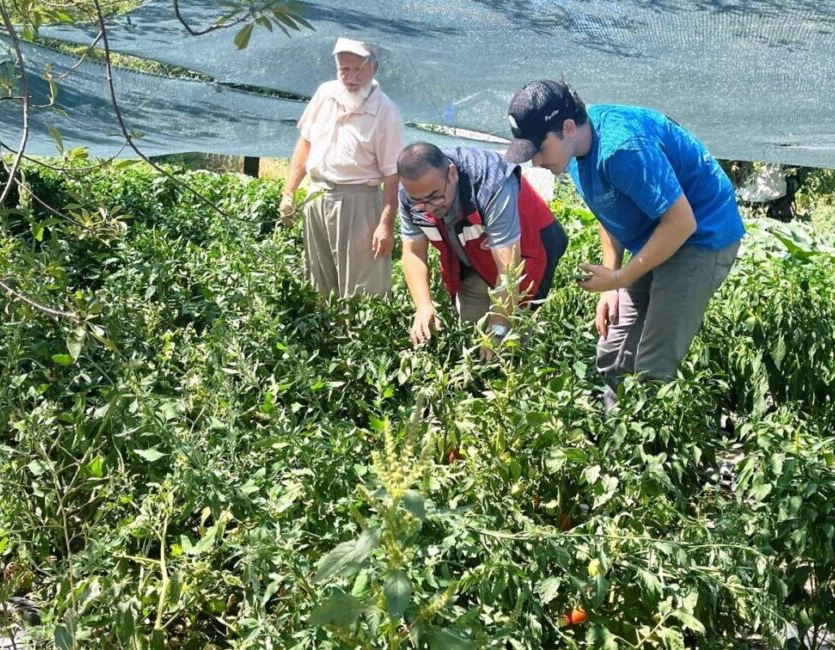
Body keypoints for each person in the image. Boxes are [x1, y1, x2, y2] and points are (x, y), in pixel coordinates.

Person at [505, 80, 744, 407]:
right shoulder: (572, 152)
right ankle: (617, 434)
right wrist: (612, 282)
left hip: (702, 235)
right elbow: (609, 210)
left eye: (539, 149)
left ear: (568, 127)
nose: (535, 162)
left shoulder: (622, 149)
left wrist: (621, 278)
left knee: (653, 368)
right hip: (656, 230)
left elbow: (682, 223)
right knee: (614, 351)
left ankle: (655, 437)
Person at [396, 142, 567, 359]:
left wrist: (499, 325)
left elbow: (509, 269)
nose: (428, 208)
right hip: (473, 258)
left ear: (452, 174)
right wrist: (423, 306)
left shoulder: (491, 182)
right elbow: (413, 252)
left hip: (527, 252)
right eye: (419, 202)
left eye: (434, 197)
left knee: (511, 337)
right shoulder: (410, 194)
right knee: (473, 336)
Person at [277, 37, 405, 298]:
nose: (351, 77)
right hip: (317, 197)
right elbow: (305, 143)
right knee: (319, 284)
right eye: (344, 70)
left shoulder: (386, 112)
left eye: (358, 69)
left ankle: (359, 326)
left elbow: (393, 176)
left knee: (363, 292)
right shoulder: (325, 94)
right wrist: (289, 193)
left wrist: (385, 225)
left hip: (359, 202)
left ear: (374, 68)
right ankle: (326, 326)